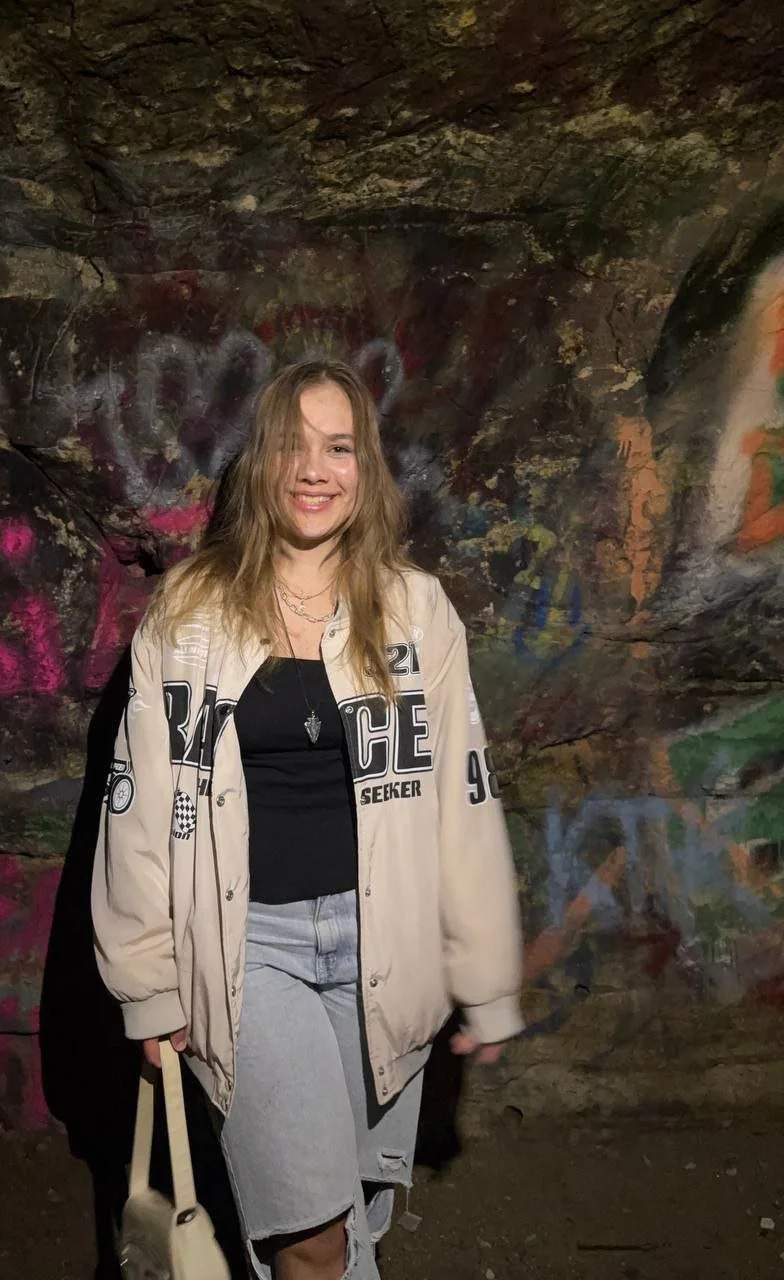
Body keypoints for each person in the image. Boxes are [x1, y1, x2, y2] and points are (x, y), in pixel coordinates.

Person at [91, 358, 524, 1280]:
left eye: (339, 447)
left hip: (385, 950)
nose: (314, 470)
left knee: (356, 1215)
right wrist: (147, 984)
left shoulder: (416, 611)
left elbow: (465, 799)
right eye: (293, 445)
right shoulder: (189, 614)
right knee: (312, 1238)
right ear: (261, 464)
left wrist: (486, 977)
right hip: (249, 954)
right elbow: (136, 807)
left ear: (366, 469)